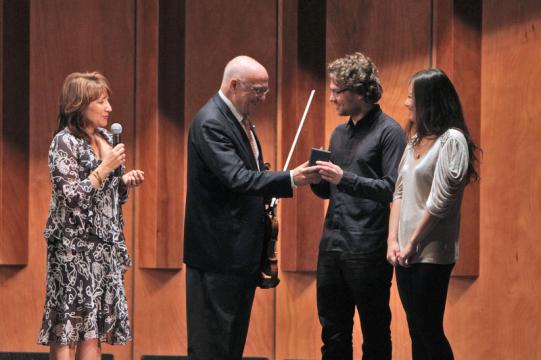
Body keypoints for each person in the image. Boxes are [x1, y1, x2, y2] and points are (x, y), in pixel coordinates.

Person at [183, 55, 319, 359]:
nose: (263, 98)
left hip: (239, 254)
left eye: (265, 90)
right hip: (217, 255)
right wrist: (290, 179)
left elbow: (252, 171)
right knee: (212, 346)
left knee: (231, 346)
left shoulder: (238, 119)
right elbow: (237, 177)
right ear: (234, 85)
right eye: (257, 90)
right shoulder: (211, 122)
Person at [37, 72, 145, 360]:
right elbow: (70, 196)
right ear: (79, 105)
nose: (108, 107)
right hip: (72, 248)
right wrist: (104, 169)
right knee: (67, 326)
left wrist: (123, 182)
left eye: (108, 100)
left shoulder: (107, 138)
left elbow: (112, 196)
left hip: (102, 247)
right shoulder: (64, 142)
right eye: (101, 101)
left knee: (93, 327)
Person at [311, 52, 406, 359]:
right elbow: (330, 192)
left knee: (375, 334)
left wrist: (344, 178)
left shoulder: (389, 132)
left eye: (337, 91)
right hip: (332, 245)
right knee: (333, 333)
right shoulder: (338, 133)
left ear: (360, 92)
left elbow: (391, 189)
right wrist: (317, 178)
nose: (331, 97)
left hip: (367, 248)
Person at [387, 68, 480, 360]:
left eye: (412, 96)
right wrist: (393, 240)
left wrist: (413, 241)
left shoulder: (452, 140)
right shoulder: (415, 141)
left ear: (430, 101)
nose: (406, 103)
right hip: (404, 250)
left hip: (430, 250)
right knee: (416, 328)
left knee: (428, 328)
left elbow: (441, 201)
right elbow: (399, 192)